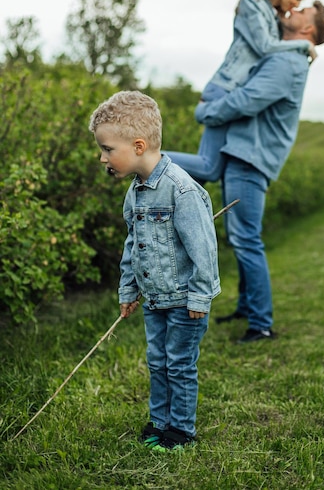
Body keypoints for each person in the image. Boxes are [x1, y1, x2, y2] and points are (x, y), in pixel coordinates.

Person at [195, 1, 324, 343]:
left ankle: (261, 324)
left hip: (251, 157)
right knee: (240, 235)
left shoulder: (288, 62)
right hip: (246, 152)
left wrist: (208, 112)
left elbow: (247, 100)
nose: (295, 9)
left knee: (246, 239)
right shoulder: (288, 54)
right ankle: (247, 306)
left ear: (307, 30)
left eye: (303, 11)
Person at [88, 90, 220, 451]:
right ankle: (160, 423)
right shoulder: (136, 193)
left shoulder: (182, 190)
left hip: (183, 300)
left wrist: (200, 295)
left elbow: (204, 248)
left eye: (108, 149)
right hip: (154, 299)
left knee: (179, 365)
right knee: (157, 362)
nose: (102, 158)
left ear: (139, 145)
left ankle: (180, 430)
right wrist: (128, 290)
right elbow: (133, 245)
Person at [166, 0, 316, 183]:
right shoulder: (252, 4)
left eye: (302, 1)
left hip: (235, 93)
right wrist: (303, 44)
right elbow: (265, 47)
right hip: (225, 88)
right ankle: (147, 160)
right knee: (208, 167)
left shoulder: (275, 19)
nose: (297, 4)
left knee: (210, 172)